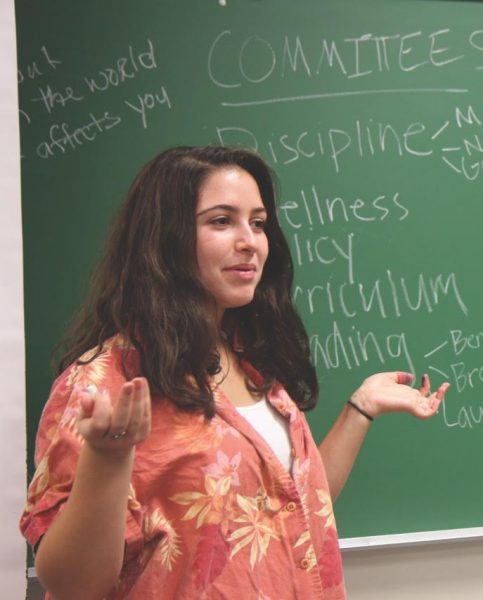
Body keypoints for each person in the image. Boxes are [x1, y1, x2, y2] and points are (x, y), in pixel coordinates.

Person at [19, 146, 449, 599]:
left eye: (258, 223)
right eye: (221, 221)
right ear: (166, 238)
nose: (250, 241)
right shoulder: (103, 385)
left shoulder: (248, 358)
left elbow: (294, 506)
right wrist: (107, 460)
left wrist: (361, 408)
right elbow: (71, 584)